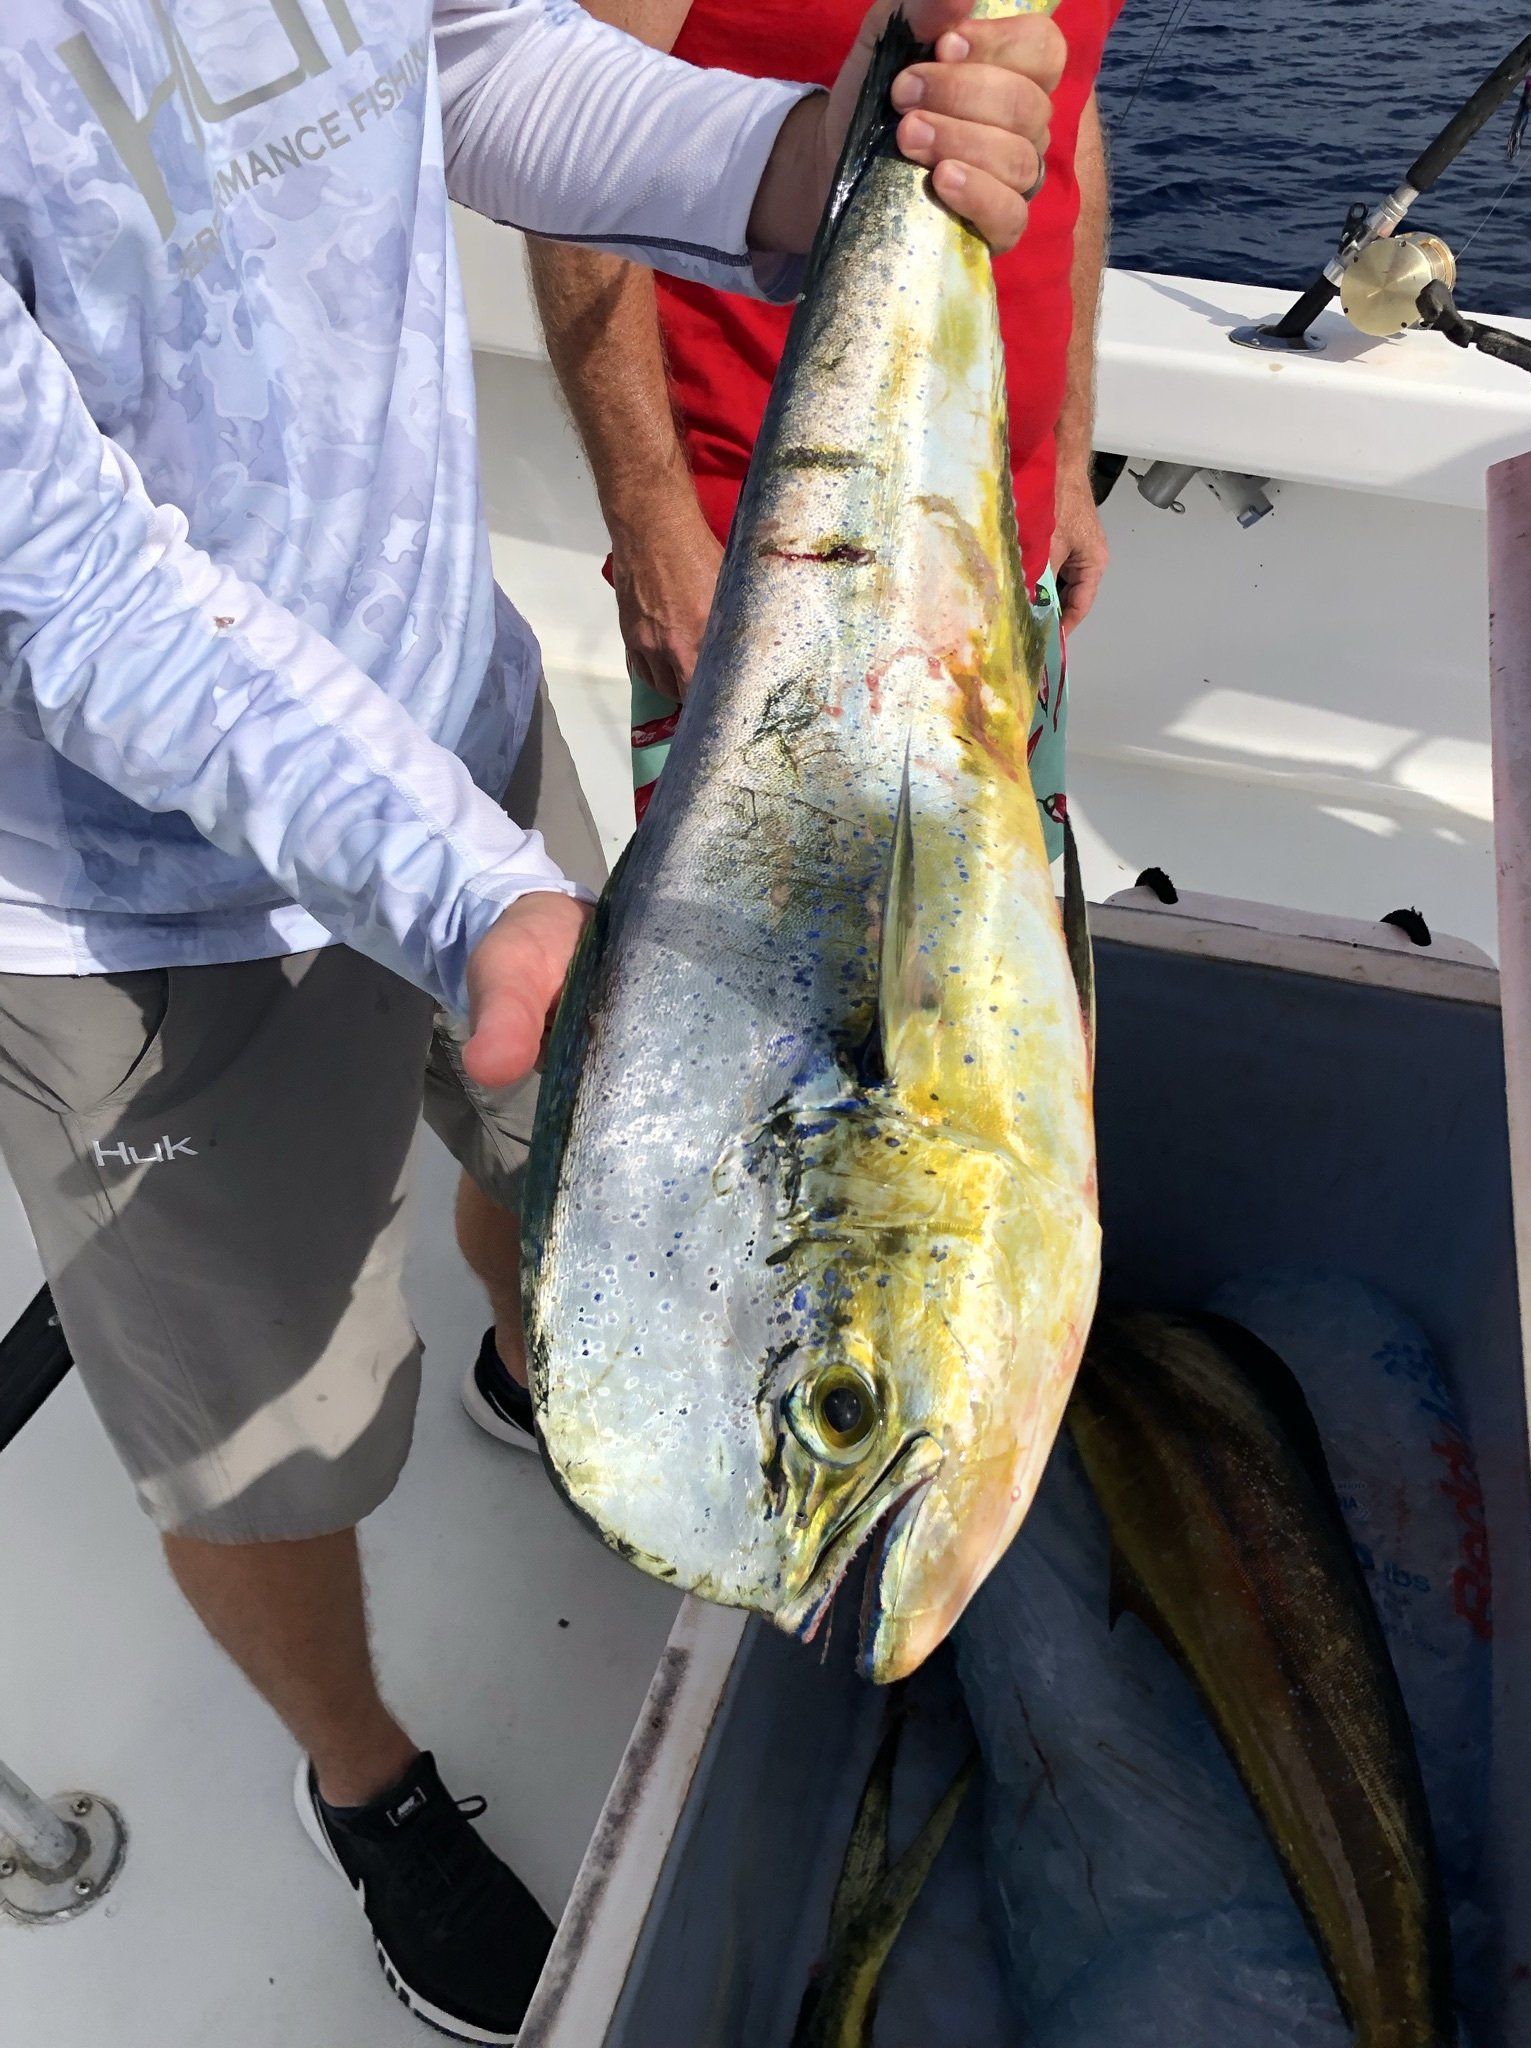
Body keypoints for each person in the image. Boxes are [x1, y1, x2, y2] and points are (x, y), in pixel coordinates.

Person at [0, 1, 1063, 2038]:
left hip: (456, 724)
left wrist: (812, 152)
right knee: (270, 1446)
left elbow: (461, 62)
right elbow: (82, 593)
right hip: (130, 904)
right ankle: (365, 1782)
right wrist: (472, 886)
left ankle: (537, 1370)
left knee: (551, 1174)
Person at [458, 0, 1121, 1449]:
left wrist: (1066, 444)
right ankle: (550, 1358)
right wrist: (654, 518)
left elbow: (1057, 112)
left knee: (967, 990)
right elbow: (569, 175)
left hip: (978, 549)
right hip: (770, 564)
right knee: (694, 1033)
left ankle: (926, 1349)